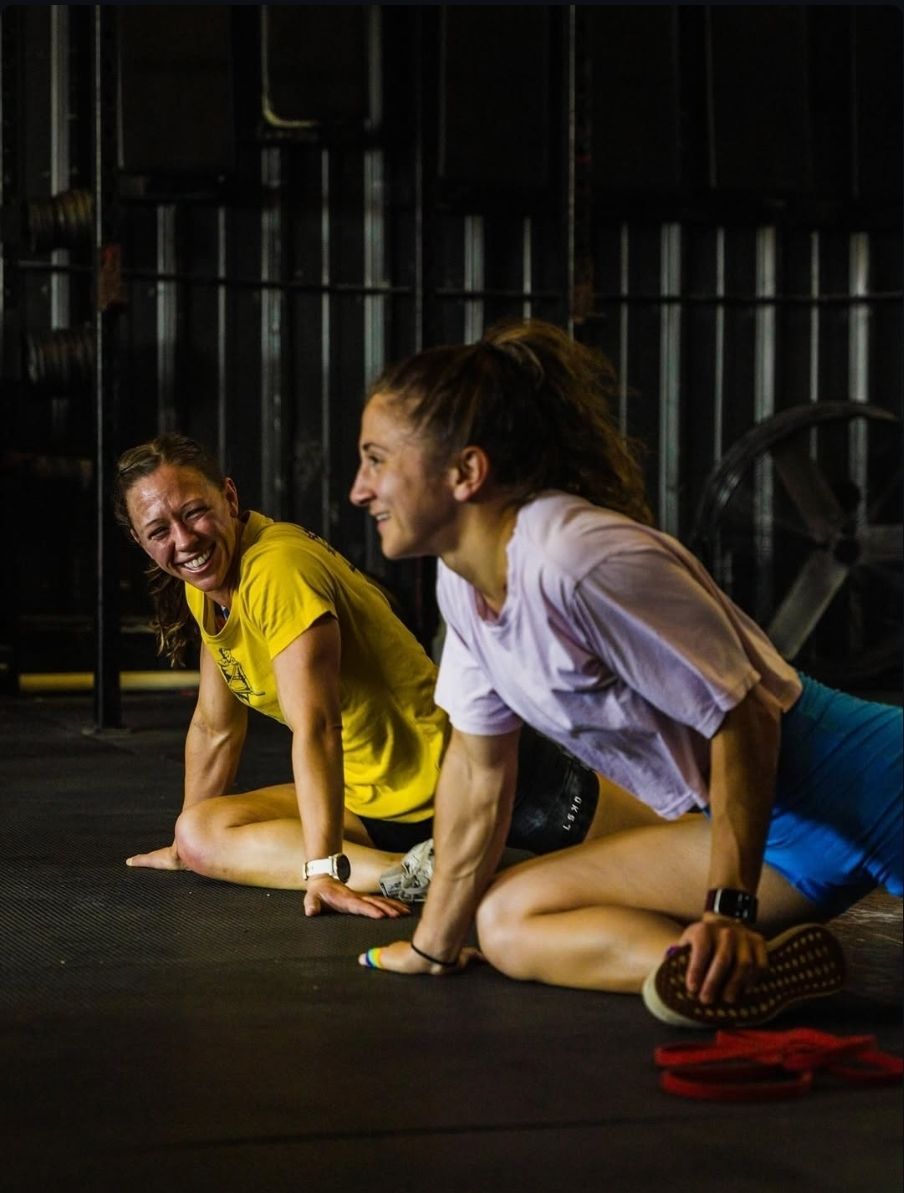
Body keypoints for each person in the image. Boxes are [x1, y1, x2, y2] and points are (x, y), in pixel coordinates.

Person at [349, 319, 902, 1026]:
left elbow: (746, 716)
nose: (359, 491)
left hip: (873, 785)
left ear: (465, 471)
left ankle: (729, 946)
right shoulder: (463, 584)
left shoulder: (577, 560)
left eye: (375, 460)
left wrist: (727, 910)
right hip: (764, 833)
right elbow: (479, 769)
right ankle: (739, 978)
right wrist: (436, 945)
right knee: (511, 921)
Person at [113, 433, 640, 921]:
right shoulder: (203, 585)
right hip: (373, 804)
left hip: (475, 778)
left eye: (195, 512)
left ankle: (454, 865)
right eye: (159, 530)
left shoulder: (277, 570)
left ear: (229, 498)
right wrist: (184, 852)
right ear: (140, 541)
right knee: (201, 833)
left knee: (691, 856)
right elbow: (215, 727)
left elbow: (317, 726)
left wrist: (322, 867)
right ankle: (410, 874)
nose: (183, 539)